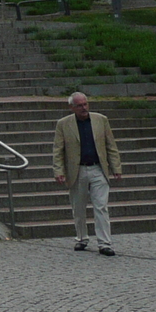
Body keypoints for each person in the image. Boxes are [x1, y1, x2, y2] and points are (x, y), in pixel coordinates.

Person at [53, 91, 123, 256]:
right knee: (79, 207)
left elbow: (110, 145)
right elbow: (58, 150)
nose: (84, 108)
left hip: (98, 168)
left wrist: (116, 168)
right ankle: (82, 238)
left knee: (101, 206)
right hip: (77, 170)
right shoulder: (63, 124)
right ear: (72, 107)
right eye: (79, 105)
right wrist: (58, 170)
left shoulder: (101, 120)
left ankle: (105, 243)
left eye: (85, 104)